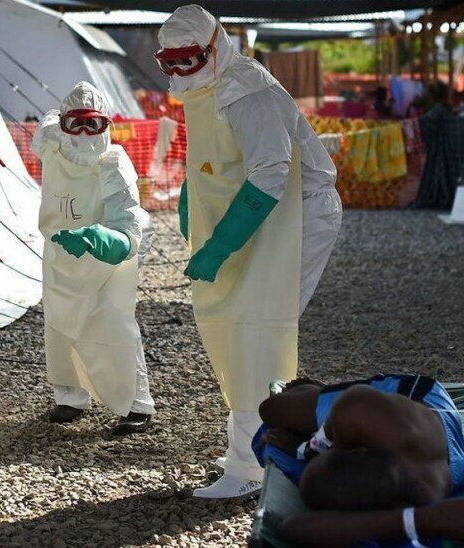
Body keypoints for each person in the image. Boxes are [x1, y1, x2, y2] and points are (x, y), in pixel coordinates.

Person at [156, 4, 343, 498]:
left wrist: (220, 245)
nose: (177, 73)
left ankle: (252, 466)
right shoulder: (209, 85)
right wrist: (191, 200)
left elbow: (269, 173)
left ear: (214, 48)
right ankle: (262, 444)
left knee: (257, 328)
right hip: (266, 217)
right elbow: (214, 157)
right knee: (241, 326)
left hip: (297, 216)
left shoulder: (248, 91)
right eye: (167, 62)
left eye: (187, 60)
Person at [31, 81, 155, 436]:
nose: (84, 134)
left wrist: (97, 238)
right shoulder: (52, 145)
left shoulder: (113, 164)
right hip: (59, 255)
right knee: (59, 324)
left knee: (114, 326)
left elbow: (129, 222)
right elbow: (47, 121)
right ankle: (70, 395)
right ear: (63, 125)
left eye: (94, 124)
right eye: (76, 124)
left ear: (107, 127)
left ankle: (137, 403)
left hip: (102, 260)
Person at [257, 375, 464, 546]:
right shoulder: (364, 414)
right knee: (272, 410)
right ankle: (314, 391)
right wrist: (311, 449)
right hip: (414, 402)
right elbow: (295, 528)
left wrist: (305, 450)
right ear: (357, 451)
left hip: (424, 426)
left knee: (275, 411)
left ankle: (314, 401)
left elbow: (297, 528)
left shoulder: (421, 499)